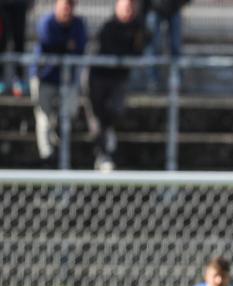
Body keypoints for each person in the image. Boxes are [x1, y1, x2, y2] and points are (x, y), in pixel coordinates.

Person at [87, 0, 146, 171]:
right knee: (98, 119)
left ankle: (107, 150)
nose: (129, 10)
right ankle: (102, 154)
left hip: (118, 79)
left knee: (115, 112)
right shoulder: (109, 27)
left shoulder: (138, 28)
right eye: (125, 6)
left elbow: (139, 50)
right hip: (98, 78)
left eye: (131, 6)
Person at [30, 0, 87, 166]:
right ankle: (46, 156)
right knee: (44, 118)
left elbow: (80, 48)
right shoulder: (46, 22)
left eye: (70, 5)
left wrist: (63, 47)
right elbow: (48, 42)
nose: (67, 9)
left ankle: (62, 154)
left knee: (67, 116)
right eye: (64, 4)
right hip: (44, 77)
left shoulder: (78, 24)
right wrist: (66, 46)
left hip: (67, 80)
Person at [144, 0, 189, 91]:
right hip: (154, 8)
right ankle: (153, 80)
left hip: (174, 8)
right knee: (153, 46)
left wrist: (180, 3)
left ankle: (177, 81)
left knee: (175, 46)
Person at [0, 0, 33, 96]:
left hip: (19, 3)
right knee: (1, 41)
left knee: (19, 40)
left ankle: (19, 79)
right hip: (2, 5)